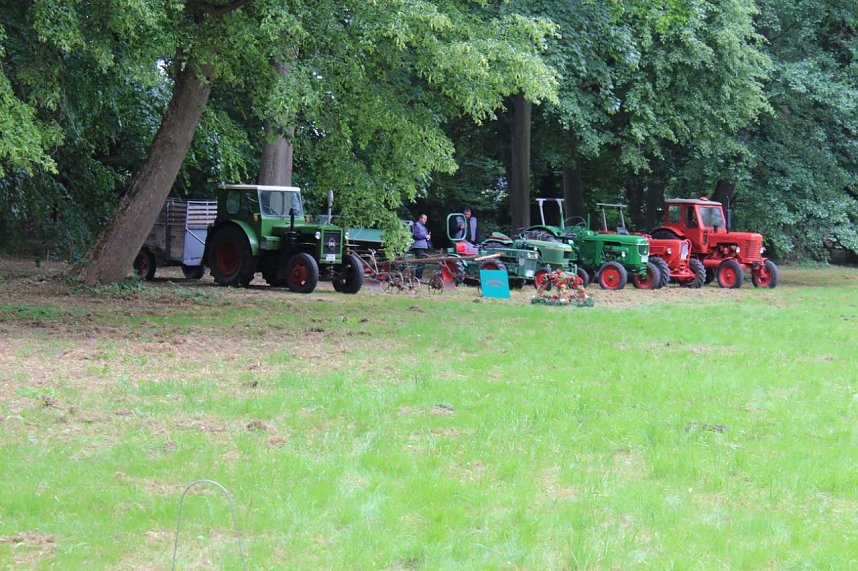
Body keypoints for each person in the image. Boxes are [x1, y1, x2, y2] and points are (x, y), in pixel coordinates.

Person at [411, 213, 431, 278]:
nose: (425, 220)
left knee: (423, 262)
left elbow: (425, 237)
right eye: (424, 219)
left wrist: (428, 238)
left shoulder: (424, 228)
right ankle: (418, 277)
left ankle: (419, 276)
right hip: (418, 246)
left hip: (423, 246)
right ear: (420, 219)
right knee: (420, 261)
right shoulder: (416, 225)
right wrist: (425, 236)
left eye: (426, 219)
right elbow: (415, 235)